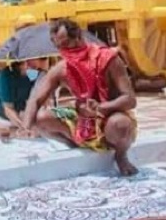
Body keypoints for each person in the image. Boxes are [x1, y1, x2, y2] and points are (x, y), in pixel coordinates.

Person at [22, 19, 139, 176]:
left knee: (120, 124)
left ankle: (120, 155)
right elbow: (35, 100)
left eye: (67, 44)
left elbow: (130, 99)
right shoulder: (62, 69)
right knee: (42, 117)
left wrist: (100, 107)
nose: (64, 50)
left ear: (79, 37)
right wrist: (25, 128)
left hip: (110, 116)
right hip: (83, 119)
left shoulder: (108, 59)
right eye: (59, 47)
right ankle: (78, 145)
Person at [0, 58, 47, 133]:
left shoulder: (33, 74)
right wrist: (23, 125)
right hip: (4, 109)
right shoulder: (6, 75)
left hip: (22, 106)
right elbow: (8, 108)